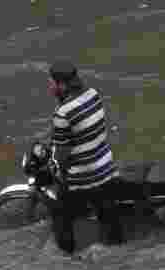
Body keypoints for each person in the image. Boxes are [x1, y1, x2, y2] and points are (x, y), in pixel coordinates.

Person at [48, 61, 124, 254]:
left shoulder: (63, 113)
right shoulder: (93, 94)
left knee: (60, 211)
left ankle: (66, 256)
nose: (50, 86)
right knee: (106, 209)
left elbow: (62, 155)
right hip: (106, 166)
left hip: (85, 175)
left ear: (62, 85)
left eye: (51, 83)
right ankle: (117, 244)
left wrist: (55, 167)